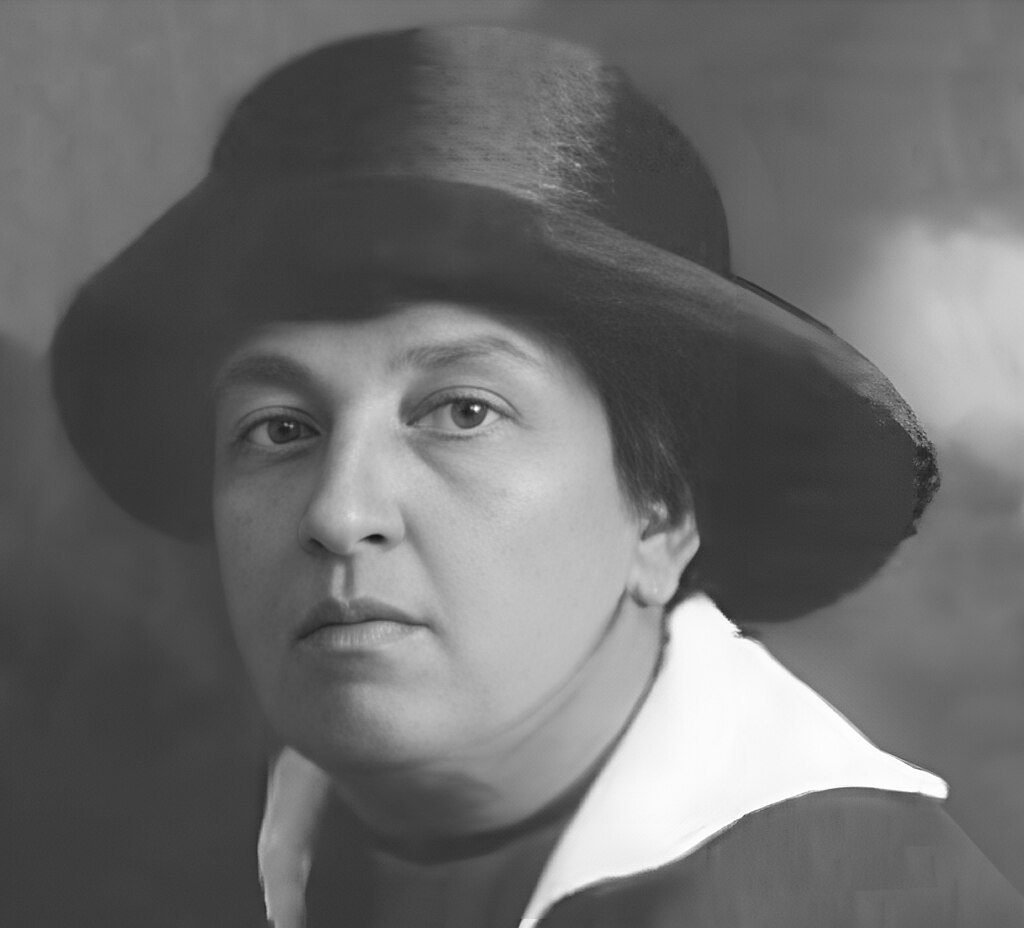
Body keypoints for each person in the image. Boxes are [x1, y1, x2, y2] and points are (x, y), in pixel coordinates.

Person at [50, 24, 1024, 928]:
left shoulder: (861, 898)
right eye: (279, 428)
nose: (340, 512)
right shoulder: (171, 849)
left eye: (463, 413)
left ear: (662, 513)